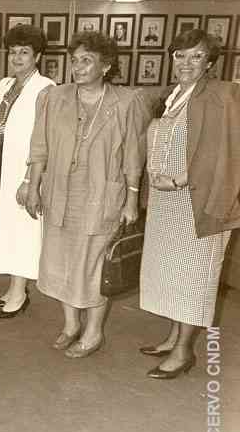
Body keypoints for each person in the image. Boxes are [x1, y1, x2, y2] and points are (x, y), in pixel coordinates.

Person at [25, 31, 149, 358]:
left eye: (87, 61)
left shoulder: (126, 102)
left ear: (105, 66)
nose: (78, 68)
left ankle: (93, 333)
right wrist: (33, 185)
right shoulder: (54, 98)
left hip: (102, 195)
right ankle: (70, 325)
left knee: (94, 267)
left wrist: (132, 200)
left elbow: (135, 156)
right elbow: (39, 148)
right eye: (75, 60)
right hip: (60, 193)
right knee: (63, 260)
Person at [139, 30, 240, 379]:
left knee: (195, 277)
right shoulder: (173, 96)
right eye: (180, 55)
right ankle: (172, 337)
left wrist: (181, 179)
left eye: (196, 56)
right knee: (172, 274)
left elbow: (224, 152)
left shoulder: (220, 95)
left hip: (198, 201)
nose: (186, 63)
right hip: (165, 204)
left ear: (210, 62)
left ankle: (183, 352)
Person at [0, 25, 55, 318]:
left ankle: (19, 291)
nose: (17, 57)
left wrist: (31, 181)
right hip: (1, 162)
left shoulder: (46, 88)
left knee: (22, 229)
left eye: (24, 52)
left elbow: (44, 137)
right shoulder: (4, 84)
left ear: (36, 55)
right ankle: (15, 287)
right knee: (6, 228)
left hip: (25, 168)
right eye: (13, 52)